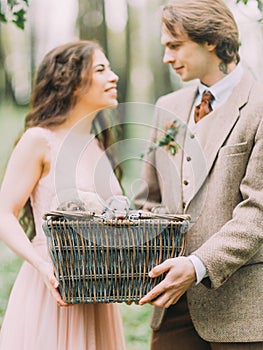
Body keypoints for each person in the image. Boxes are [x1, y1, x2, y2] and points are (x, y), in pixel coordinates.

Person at [135, 0, 263, 349]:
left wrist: (198, 265)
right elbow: (148, 198)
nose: (167, 57)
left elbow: (258, 211)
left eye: (174, 46)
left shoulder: (259, 105)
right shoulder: (168, 107)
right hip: (170, 304)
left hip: (240, 311)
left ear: (210, 40)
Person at [0, 40, 126, 349]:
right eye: (101, 69)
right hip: (51, 285)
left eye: (110, 68)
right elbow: (4, 214)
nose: (114, 77)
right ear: (70, 82)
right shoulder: (38, 141)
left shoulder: (98, 145)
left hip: (98, 292)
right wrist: (42, 266)